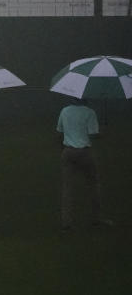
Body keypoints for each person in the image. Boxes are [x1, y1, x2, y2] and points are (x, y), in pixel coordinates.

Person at [56, 98, 113, 231]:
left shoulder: (64, 110)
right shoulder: (89, 112)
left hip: (68, 151)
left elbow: (59, 131)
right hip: (84, 152)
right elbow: (93, 133)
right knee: (93, 185)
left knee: (67, 188)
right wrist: (103, 132)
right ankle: (96, 218)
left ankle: (66, 222)